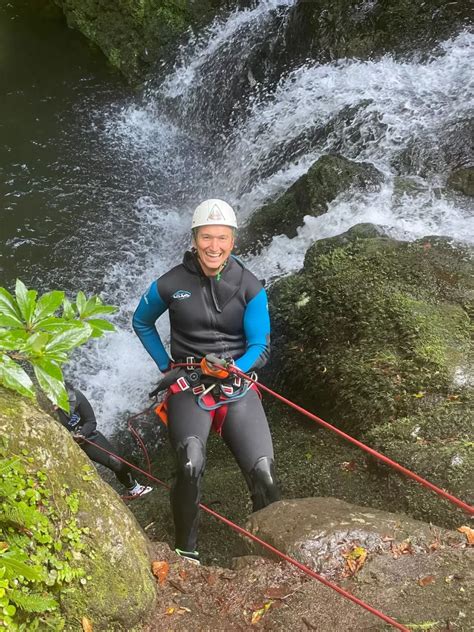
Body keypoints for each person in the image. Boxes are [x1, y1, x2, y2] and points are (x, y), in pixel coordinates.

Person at [132, 198, 280, 563]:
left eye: (222, 238)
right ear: (195, 238)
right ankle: (187, 550)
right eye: (206, 238)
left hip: (236, 384)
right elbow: (141, 321)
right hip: (190, 383)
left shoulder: (249, 286)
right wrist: (167, 366)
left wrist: (234, 368)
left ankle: (270, 552)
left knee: (265, 476)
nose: (214, 247)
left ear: (233, 241)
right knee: (189, 464)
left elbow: (260, 346)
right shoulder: (171, 284)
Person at [55, 382, 153, 499]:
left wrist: (82, 434)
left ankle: (133, 488)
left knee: (117, 463)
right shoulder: (46, 412)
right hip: (64, 445)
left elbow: (91, 421)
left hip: (86, 438)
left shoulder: (76, 396)